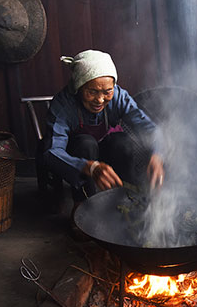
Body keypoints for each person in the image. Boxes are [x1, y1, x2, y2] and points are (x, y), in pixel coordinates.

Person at [42, 50, 165, 215]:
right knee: (85, 143)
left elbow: (150, 130)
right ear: (79, 87)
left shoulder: (119, 98)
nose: (100, 100)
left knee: (122, 141)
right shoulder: (64, 105)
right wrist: (90, 167)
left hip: (103, 151)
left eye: (107, 92)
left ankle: (124, 200)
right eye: (92, 92)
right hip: (77, 156)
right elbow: (51, 152)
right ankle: (82, 206)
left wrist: (157, 154)